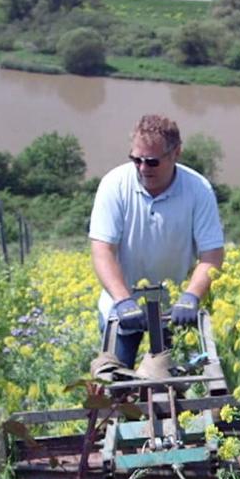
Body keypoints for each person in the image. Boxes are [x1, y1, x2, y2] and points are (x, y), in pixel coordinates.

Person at [89, 114, 225, 368]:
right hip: (122, 307)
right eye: (136, 159)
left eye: (151, 162)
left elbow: (211, 255)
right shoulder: (113, 185)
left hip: (175, 311)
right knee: (118, 382)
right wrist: (122, 300)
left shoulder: (198, 189)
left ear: (176, 154)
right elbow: (103, 251)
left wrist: (191, 296)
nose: (142, 168)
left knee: (177, 384)